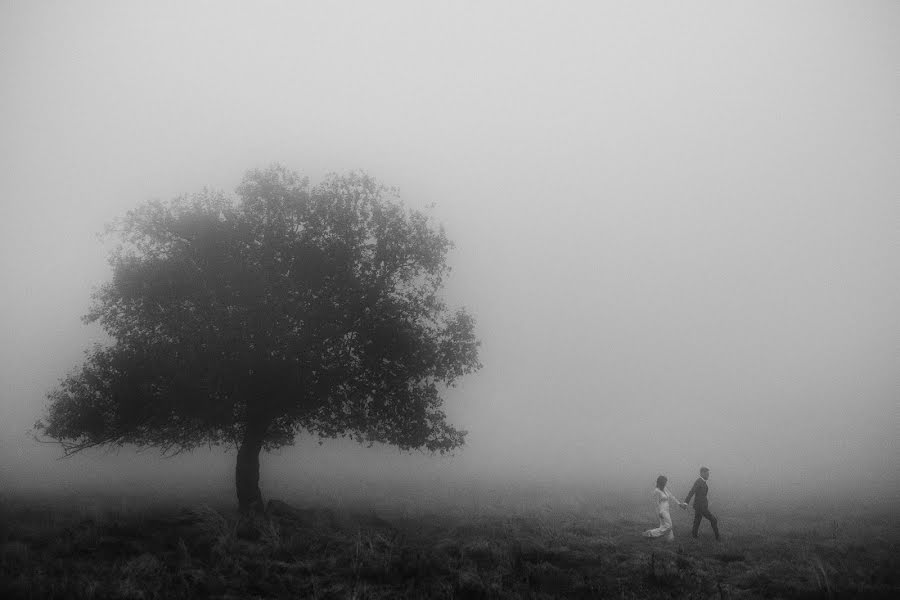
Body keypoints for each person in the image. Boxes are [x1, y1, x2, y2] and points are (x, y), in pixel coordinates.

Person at [642, 475, 687, 541]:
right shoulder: (656, 491)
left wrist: (679, 503)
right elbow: (656, 504)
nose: (665, 484)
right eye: (664, 482)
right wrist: (659, 513)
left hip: (667, 509)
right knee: (669, 526)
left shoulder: (665, 489)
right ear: (660, 482)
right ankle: (650, 533)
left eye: (666, 482)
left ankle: (669, 539)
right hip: (662, 511)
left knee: (664, 526)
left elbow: (671, 496)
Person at [684, 466, 720, 540]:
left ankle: (694, 536)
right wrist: (685, 503)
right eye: (706, 473)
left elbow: (702, 495)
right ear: (701, 473)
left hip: (700, 506)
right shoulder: (699, 481)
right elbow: (692, 492)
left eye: (708, 473)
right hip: (700, 506)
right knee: (713, 519)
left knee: (697, 521)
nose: (708, 475)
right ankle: (718, 537)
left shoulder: (703, 482)